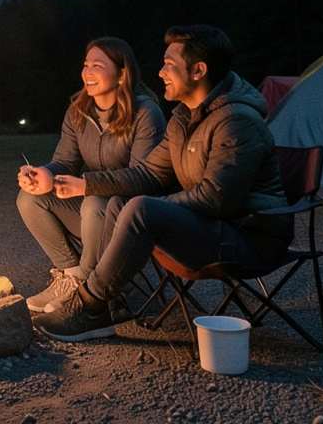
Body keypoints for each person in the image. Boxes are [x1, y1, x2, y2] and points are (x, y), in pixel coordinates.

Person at [33, 25, 292, 342]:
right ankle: (105, 306)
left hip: (249, 237)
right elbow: (148, 174)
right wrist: (85, 184)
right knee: (121, 203)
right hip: (214, 227)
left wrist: (151, 209)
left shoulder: (236, 120)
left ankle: (87, 304)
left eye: (170, 64)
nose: (160, 72)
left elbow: (216, 199)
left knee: (140, 208)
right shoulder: (184, 118)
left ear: (198, 70)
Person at [16, 37, 165, 313]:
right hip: (92, 214)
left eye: (98, 65)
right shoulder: (78, 113)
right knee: (30, 197)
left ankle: (88, 288)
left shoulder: (145, 113)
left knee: (95, 202)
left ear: (122, 74)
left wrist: (85, 185)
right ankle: (70, 277)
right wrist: (44, 175)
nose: (87, 72)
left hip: (131, 217)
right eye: (86, 65)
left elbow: (144, 177)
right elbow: (65, 162)